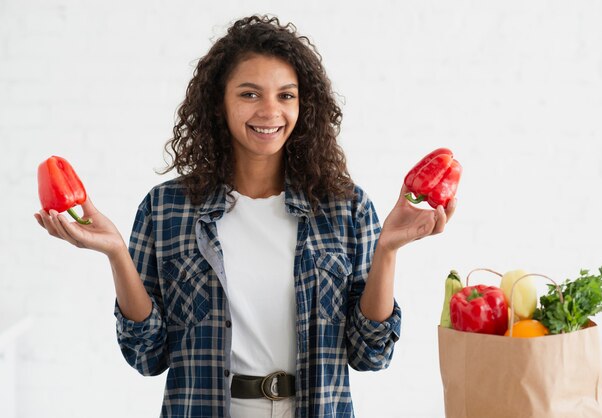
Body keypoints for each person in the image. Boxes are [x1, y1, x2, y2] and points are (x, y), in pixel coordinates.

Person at [35, 14, 456, 418]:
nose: (269, 111)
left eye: (285, 95)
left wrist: (387, 250)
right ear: (220, 103)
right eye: (249, 93)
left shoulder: (345, 208)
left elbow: (372, 354)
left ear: (303, 106)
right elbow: (147, 356)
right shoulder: (166, 209)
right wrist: (116, 254)